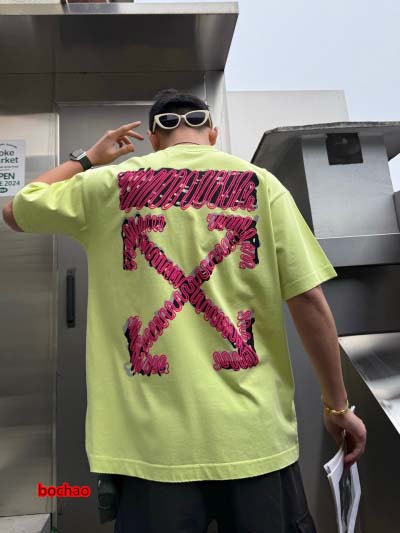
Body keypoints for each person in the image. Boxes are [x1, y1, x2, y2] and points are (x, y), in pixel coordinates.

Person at [3, 89, 366, 533]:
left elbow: (16, 209)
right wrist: (337, 407)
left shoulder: (108, 184)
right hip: (252, 438)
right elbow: (309, 301)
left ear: (154, 138)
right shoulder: (261, 184)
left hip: (151, 448)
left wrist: (89, 158)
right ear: (212, 133)